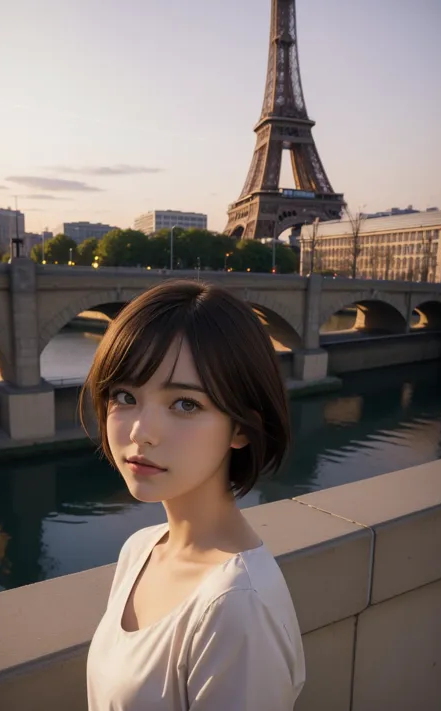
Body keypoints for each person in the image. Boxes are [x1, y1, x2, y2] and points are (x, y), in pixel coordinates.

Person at [81, 278, 305, 710]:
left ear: (240, 427)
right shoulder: (141, 549)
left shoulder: (237, 608)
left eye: (185, 404)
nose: (140, 433)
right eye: (125, 396)